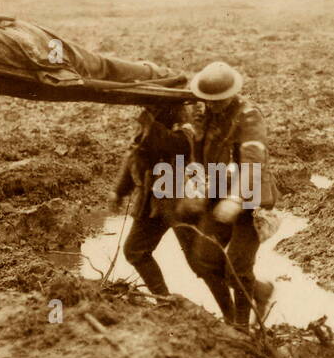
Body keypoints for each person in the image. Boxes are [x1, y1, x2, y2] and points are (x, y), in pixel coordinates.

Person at [182, 62, 274, 329]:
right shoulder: (207, 116)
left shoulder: (248, 116)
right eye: (209, 101)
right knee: (204, 257)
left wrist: (235, 199)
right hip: (218, 194)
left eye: (218, 101)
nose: (212, 105)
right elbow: (197, 158)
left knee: (238, 266)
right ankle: (258, 292)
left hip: (251, 199)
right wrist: (196, 187)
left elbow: (253, 160)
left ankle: (242, 328)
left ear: (231, 95)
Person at [111, 102, 198, 298]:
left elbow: (177, 146)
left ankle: (250, 298)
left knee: (201, 262)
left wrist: (152, 126)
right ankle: (163, 298)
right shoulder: (148, 120)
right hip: (152, 202)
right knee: (135, 250)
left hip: (179, 201)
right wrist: (119, 191)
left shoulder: (183, 122)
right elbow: (136, 155)